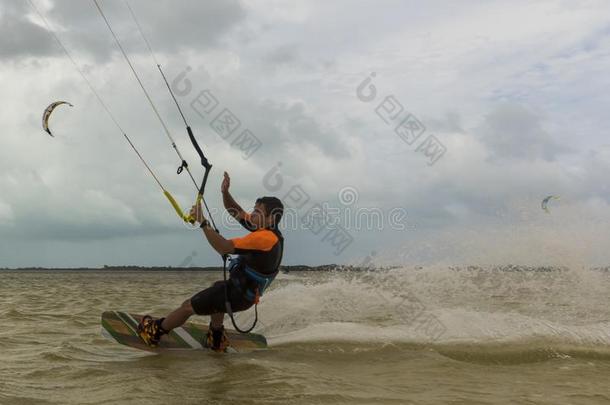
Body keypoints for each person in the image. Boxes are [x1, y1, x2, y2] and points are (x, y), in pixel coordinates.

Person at [137, 171, 284, 351]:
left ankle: (154, 332)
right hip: (242, 294)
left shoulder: (265, 238)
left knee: (187, 307)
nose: (251, 215)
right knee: (218, 287)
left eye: (257, 212)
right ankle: (216, 337)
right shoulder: (267, 231)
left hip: (239, 295)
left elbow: (223, 247)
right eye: (253, 209)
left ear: (271, 218)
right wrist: (225, 193)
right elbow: (236, 211)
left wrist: (203, 222)